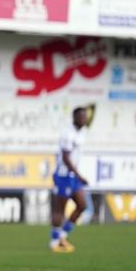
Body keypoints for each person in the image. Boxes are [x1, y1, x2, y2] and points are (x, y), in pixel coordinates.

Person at [50, 106, 90, 253]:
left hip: (73, 177)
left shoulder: (82, 133)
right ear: (74, 118)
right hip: (63, 175)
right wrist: (79, 175)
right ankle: (55, 242)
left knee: (82, 205)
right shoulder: (68, 134)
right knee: (60, 209)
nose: (84, 119)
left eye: (85, 116)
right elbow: (66, 158)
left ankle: (63, 236)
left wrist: (77, 175)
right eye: (81, 116)